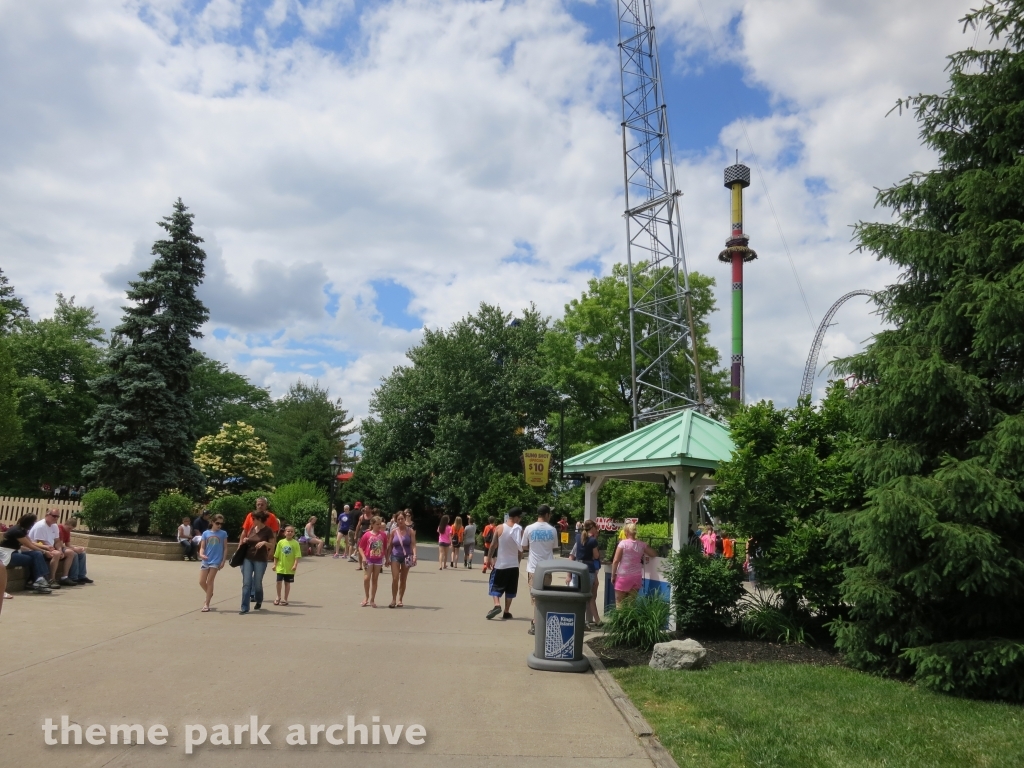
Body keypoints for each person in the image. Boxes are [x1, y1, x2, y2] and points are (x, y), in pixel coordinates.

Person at [521, 505, 558, 635]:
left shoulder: (529, 528)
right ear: (547, 514)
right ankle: (542, 621)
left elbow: (524, 546)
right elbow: (554, 547)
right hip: (547, 568)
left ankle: (536, 623)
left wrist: (533, 546)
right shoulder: (552, 530)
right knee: (545, 595)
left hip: (533, 568)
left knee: (536, 597)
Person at [485, 507, 523, 620]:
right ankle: (506, 612)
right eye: (520, 517)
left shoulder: (500, 528)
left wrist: (489, 559)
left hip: (501, 565)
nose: (520, 519)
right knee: (510, 589)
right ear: (516, 518)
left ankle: (497, 605)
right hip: (514, 565)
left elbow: (493, 545)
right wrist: (518, 562)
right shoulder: (519, 530)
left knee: (495, 585)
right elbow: (520, 550)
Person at [1, 514, 53, 594]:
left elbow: (31, 543)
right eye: (33, 522)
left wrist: (45, 547)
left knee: (37, 554)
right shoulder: (17, 531)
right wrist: (45, 552)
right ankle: (40, 581)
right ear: (29, 523)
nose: (34, 524)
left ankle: (39, 580)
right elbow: (29, 545)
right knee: (32, 559)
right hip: (7, 554)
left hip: (15, 552)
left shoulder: (22, 530)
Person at [610, 522, 658, 606]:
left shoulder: (623, 544)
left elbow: (616, 561)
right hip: (636, 577)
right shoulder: (642, 545)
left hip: (623, 576)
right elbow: (654, 554)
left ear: (626, 532)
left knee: (619, 603)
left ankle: (621, 616)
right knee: (631, 604)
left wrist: (613, 575)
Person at [29, 508, 76, 587]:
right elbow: (40, 542)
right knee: (56, 554)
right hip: (38, 548)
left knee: (70, 552)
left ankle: (64, 577)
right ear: (47, 515)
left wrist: (60, 550)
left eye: (58, 516)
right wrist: (54, 550)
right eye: (54, 516)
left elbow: (57, 541)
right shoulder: (41, 526)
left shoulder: (54, 526)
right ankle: (51, 579)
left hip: (51, 547)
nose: (56, 518)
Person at [238, 510, 274, 614]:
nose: (252, 520)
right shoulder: (252, 528)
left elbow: (272, 545)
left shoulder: (268, 530)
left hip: (260, 559)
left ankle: (259, 600)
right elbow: (249, 539)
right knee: (246, 583)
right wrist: (245, 540)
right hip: (248, 558)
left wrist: (265, 543)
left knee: (257, 583)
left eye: (253, 519)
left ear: (259, 519)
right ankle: (244, 607)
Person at [572, 519, 602, 628]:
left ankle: (576, 619)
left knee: (578, 595)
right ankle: (587, 621)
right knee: (587, 595)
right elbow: (596, 555)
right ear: (592, 528)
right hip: (588, 569)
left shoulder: (578, 537)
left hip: (577, 568)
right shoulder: (593, 541)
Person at [386, 511, 417, 608]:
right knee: (395, 578)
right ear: (396, 520)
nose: (400, 521)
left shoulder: (410, 531)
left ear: (405, 519)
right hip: (395, 556)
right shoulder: (394, 531)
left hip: (407, 557)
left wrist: (414, 555)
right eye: (398, 519)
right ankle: (393, 599)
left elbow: (413, 544)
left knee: (403, 579)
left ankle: (400, 599)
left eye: (402, 519)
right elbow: (390, 545)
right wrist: (387, 558)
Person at [198, 514, 228, 612]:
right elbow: (202, 547)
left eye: (221, 524)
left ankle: (206, 604)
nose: (219, 525)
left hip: (216, 560)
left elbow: (225, 548)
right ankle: (209, 593)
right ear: (212, 522)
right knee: (201, 581)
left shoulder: (223, 534)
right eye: (217, 523)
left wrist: (223, 561)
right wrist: (201, 554)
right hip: (206, 559)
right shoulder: (205, 533)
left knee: (210, 581)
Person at [359, 516, 387, 607]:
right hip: (368, 559)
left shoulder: (383, 535)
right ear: (372, 524)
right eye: (377, 524)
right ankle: (366, 597)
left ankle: (372, 599)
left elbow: (385, 548)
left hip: (378, 559)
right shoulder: (367, 534)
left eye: (380, 524)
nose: (379, 526)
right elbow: (360, 547)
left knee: (375, 579)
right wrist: (363, 557)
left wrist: (387, 559)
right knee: (366, 578)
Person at [274, 525, 302, 606]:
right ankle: (278, 597)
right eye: (288, 531)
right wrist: (275, 564)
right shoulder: (280, 542)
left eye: (291, 531)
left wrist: (295, 565)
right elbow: (276, 555)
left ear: (294, 533)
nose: (289, 533)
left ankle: (285, 599)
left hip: (289, 568)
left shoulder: (295, 543)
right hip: (280, 567)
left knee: (287, 583)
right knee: (278, 582)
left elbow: (297, 555)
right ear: (284, 533)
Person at [58, 518, 92, 584]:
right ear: (65, 524)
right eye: (69, 528)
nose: (70, 530)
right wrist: (74, 550)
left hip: (63, 547)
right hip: (58, 547)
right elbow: (61, 545)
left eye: (71, 529)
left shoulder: (67, 531)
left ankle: (81, 576)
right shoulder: (60, 529)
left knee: (82, 553)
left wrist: (77, 548)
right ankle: (73, 577)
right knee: (74, 554)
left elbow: (68, 544)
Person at [352, 505, 375, 571]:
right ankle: (360, 566)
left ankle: (370, 564)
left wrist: (370, 529)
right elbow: (358, 526)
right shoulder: (362, 517)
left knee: (370, 549)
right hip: (361, 534)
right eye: (364, 508)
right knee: (360, 549)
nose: (365, 509)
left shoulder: (373, 518)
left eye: (366, 508)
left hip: (370, 535)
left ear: (370, 510)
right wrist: (356, 535)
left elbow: (375, 526)